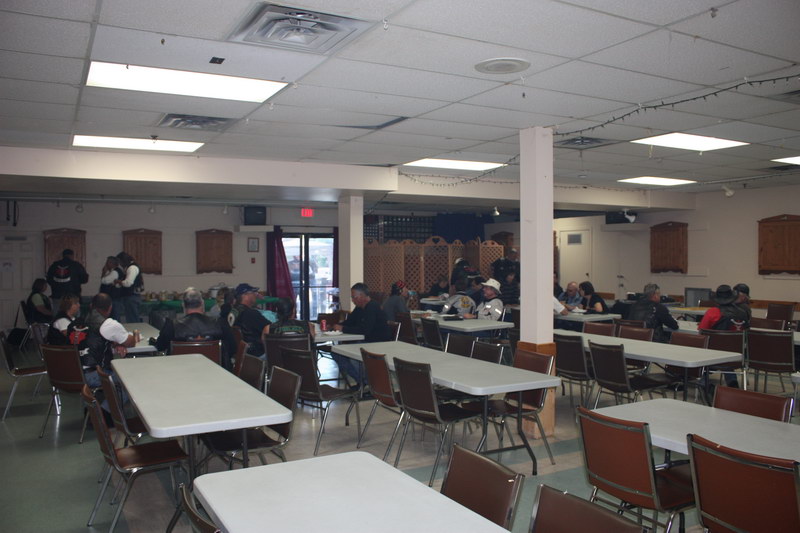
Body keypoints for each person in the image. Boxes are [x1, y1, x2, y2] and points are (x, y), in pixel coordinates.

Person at [82, 293, 136, 409]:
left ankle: (94, 412)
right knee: (131, 379)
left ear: (91, 306)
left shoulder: (76, 321)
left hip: (76, 372)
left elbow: (90, 340)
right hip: (94, 374)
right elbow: (130, 342)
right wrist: (121, 342)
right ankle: (105, 412)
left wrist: (114, 342)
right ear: (110, 308)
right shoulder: (108, 325)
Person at [332, 283, 390, 387]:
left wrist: (342, 328)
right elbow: (349, 322)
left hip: (377, 343)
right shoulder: (359, 308)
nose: (352, 300)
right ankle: (362, 381)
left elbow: (365, 330)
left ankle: (367, 383)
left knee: (350, 354)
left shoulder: (372, 307)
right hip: (364, 341)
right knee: (336, 352)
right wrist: (336, 326)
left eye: (354, 297)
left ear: (362, 296)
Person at [698, 284, 749, 388]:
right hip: (736, 357)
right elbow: (747, 333)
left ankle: (704, 383)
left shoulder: (711, 313)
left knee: (707, 350)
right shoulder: (743, 313)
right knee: (728, 350)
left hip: (713, 357)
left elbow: (702, 332)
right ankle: (732, 381)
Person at [155, 288, 226, 354]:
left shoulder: (171, 326)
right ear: (202, 303)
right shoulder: (219, 323)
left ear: (183, 305)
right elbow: (231, 348)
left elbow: (160, 347)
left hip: (181, 363)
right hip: (213, 363)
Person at [233, 283, 272, 357]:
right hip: (254, 354)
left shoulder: (233, 311)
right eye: (253, 292)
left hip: (239, 352)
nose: (256, 295)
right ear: (245, 295)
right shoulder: (250, 313)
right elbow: (270, 328)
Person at [115, 252, 144, 323]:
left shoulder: (132, 268)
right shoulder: (129, 268)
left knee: (133, 320)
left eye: (120, 262)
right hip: (130, 297)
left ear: (123, 260)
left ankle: (136, 330)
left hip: (131, 297)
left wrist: (119, 281)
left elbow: (128, 283)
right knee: (131, 318)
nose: (119, 264)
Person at [99, 256, 124, 321]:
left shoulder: (115, 272)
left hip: (114, 298)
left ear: (111, 263)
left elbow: (104, 281)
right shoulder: (111, 272)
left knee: (114, 317)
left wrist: (104, 272)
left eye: (107, 262)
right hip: (112, 298)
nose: (106, 264)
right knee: (112, 317)